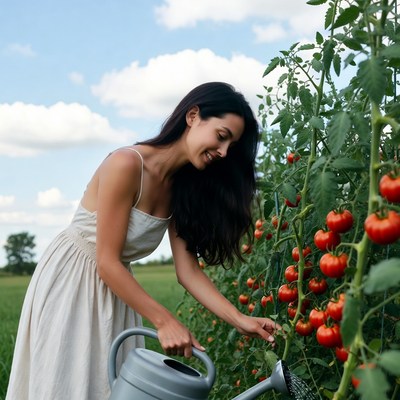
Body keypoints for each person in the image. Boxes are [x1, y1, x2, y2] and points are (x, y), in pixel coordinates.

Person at [6, 82, 280, 400]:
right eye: (221, 136)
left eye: (230, 146)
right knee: (65, 384)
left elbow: (187, 271)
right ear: (193, 116)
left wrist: (240, 319)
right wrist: (164, 321)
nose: (223, 152)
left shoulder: (181, 189)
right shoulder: (126, 164)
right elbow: (106, 260)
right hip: (74, 279)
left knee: (107, 387)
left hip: (117, 290)